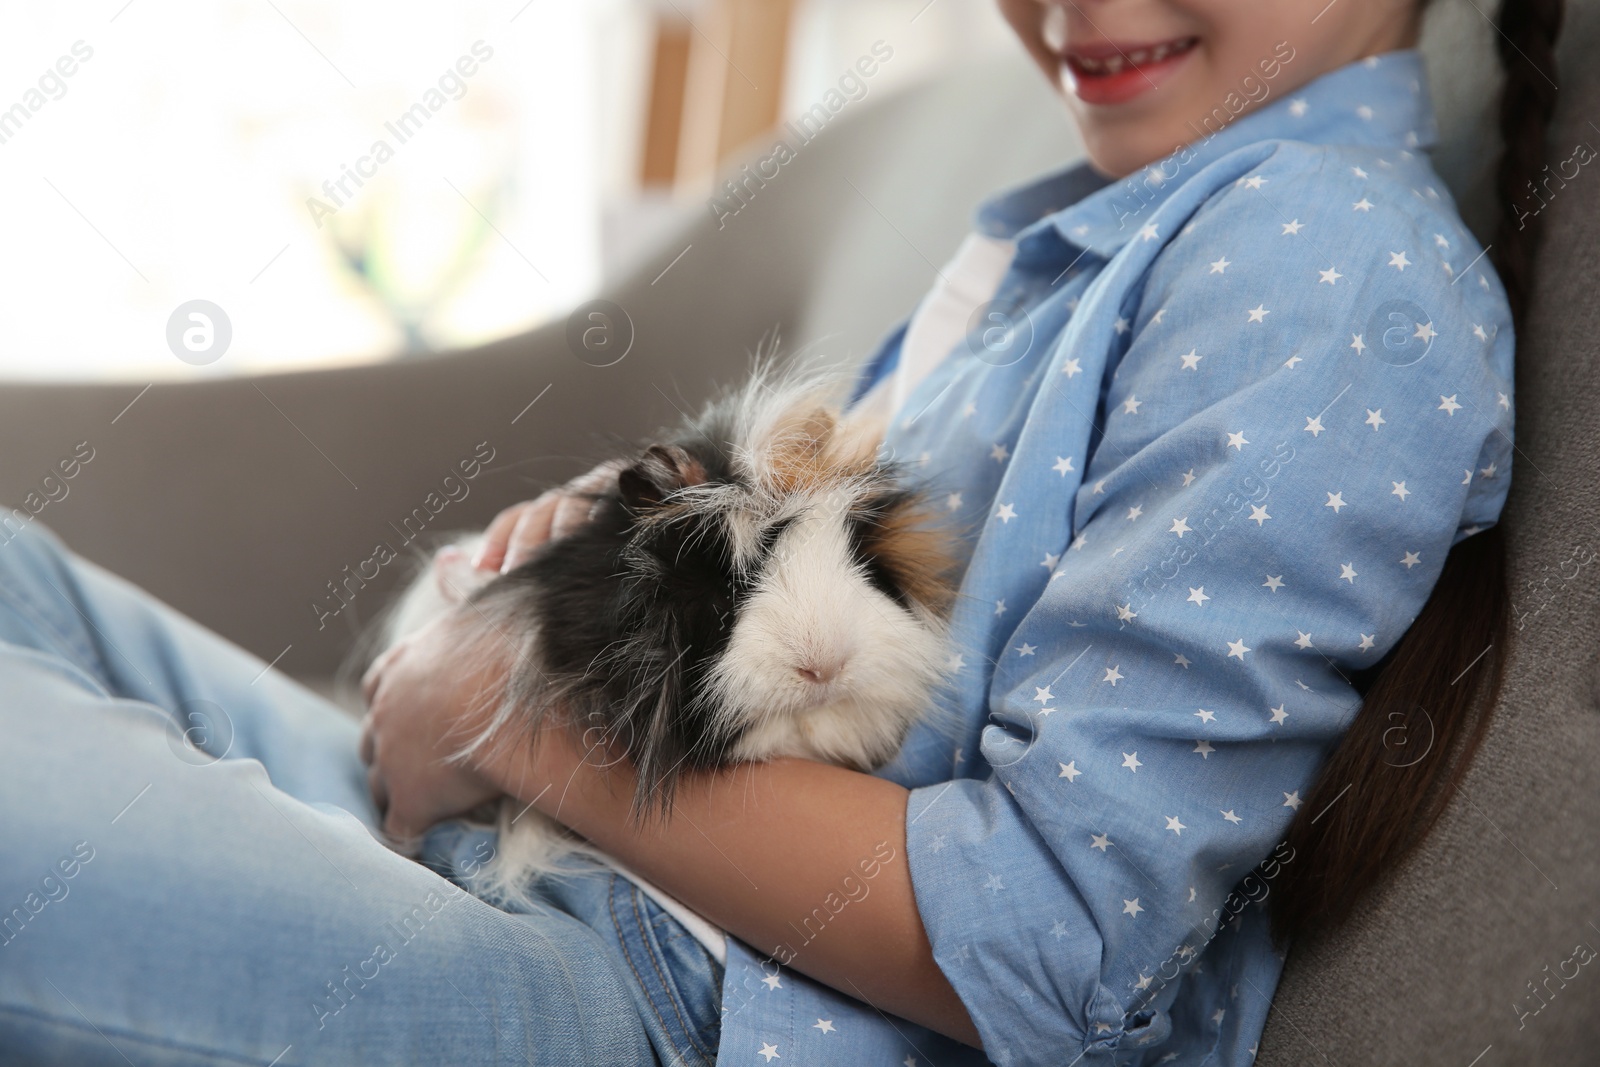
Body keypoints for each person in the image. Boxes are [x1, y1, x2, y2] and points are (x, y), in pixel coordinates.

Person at [0, 0, 1561, 1063]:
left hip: (669, 1004)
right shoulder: (1116, 226)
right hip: (531, 864)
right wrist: (576, 594)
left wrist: (510, 707)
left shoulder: (1324, 266)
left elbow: (1053, 946)